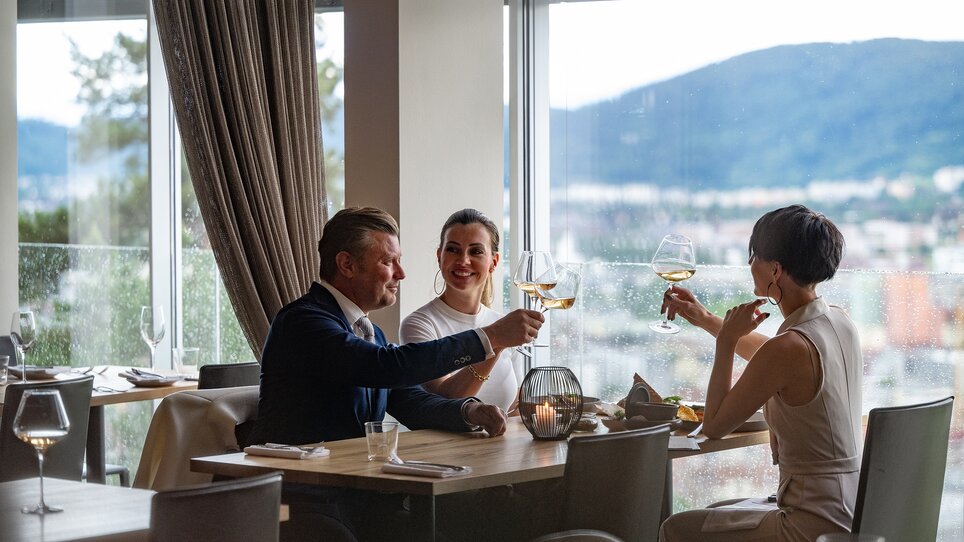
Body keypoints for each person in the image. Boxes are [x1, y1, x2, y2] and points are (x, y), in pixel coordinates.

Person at [252, 206, 543, 446]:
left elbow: (411, 402)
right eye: (389, 261)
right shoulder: (302, 322)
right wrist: (489, 337)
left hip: (354, 486)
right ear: (347, 265)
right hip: (301, 496)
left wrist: (470, 410)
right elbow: (387, 366)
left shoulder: (370, 332)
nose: (401, 274)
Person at [658, 205, 862, 542]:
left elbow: (715, 426)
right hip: (851, 509)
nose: (750, 264)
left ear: (775, 270)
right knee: (720, 506)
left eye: (754, 255)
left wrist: (725, 342)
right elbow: (773, 359)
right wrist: (707, 318)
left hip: (811, 523)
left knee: (674, 529)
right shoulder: (839, 321)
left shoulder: (789, 348)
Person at [400, 208, 520, 411]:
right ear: (439, 256)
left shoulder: (502, 324)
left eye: (476, 251)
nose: (463, 260)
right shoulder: (419, 324)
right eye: (453, 249)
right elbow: (445, 400)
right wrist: (495, 342)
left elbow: (514, 409)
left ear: (494, 262)